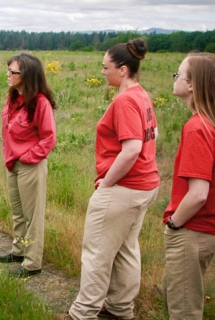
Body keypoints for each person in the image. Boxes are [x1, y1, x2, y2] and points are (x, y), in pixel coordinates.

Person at [62, 39, 159, 320]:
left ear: (124, 69)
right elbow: (153, 136)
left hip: (123, 188)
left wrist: (106, 182)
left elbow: (132, 149)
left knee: (97, 252)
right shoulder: (142, 95)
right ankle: (119, 309)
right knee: (126, 249)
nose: (102, 72)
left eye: (106, 67)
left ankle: (82, 313)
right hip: (144, 186)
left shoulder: (126, 100)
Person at [162, 52, 215, 320]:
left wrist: (173, 224)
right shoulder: (210, 123)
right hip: (206, 229)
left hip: (192, 230)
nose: (174, 78)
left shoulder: (197, 128)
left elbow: (198, 194)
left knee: (183, 309)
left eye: (178, 74)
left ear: (192, 84)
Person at [0, 52, 57, 278]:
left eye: (13, 72)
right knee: (18, 213)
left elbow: (49, 138)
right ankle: (19, 251)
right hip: (13, 164)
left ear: (27, 75)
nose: (8, 74)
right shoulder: (12, 98)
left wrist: (28, 157)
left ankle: (32, 263)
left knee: (33, 216)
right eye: (8, 70)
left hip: (29, 165)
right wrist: (13, 158)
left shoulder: (40, 102)